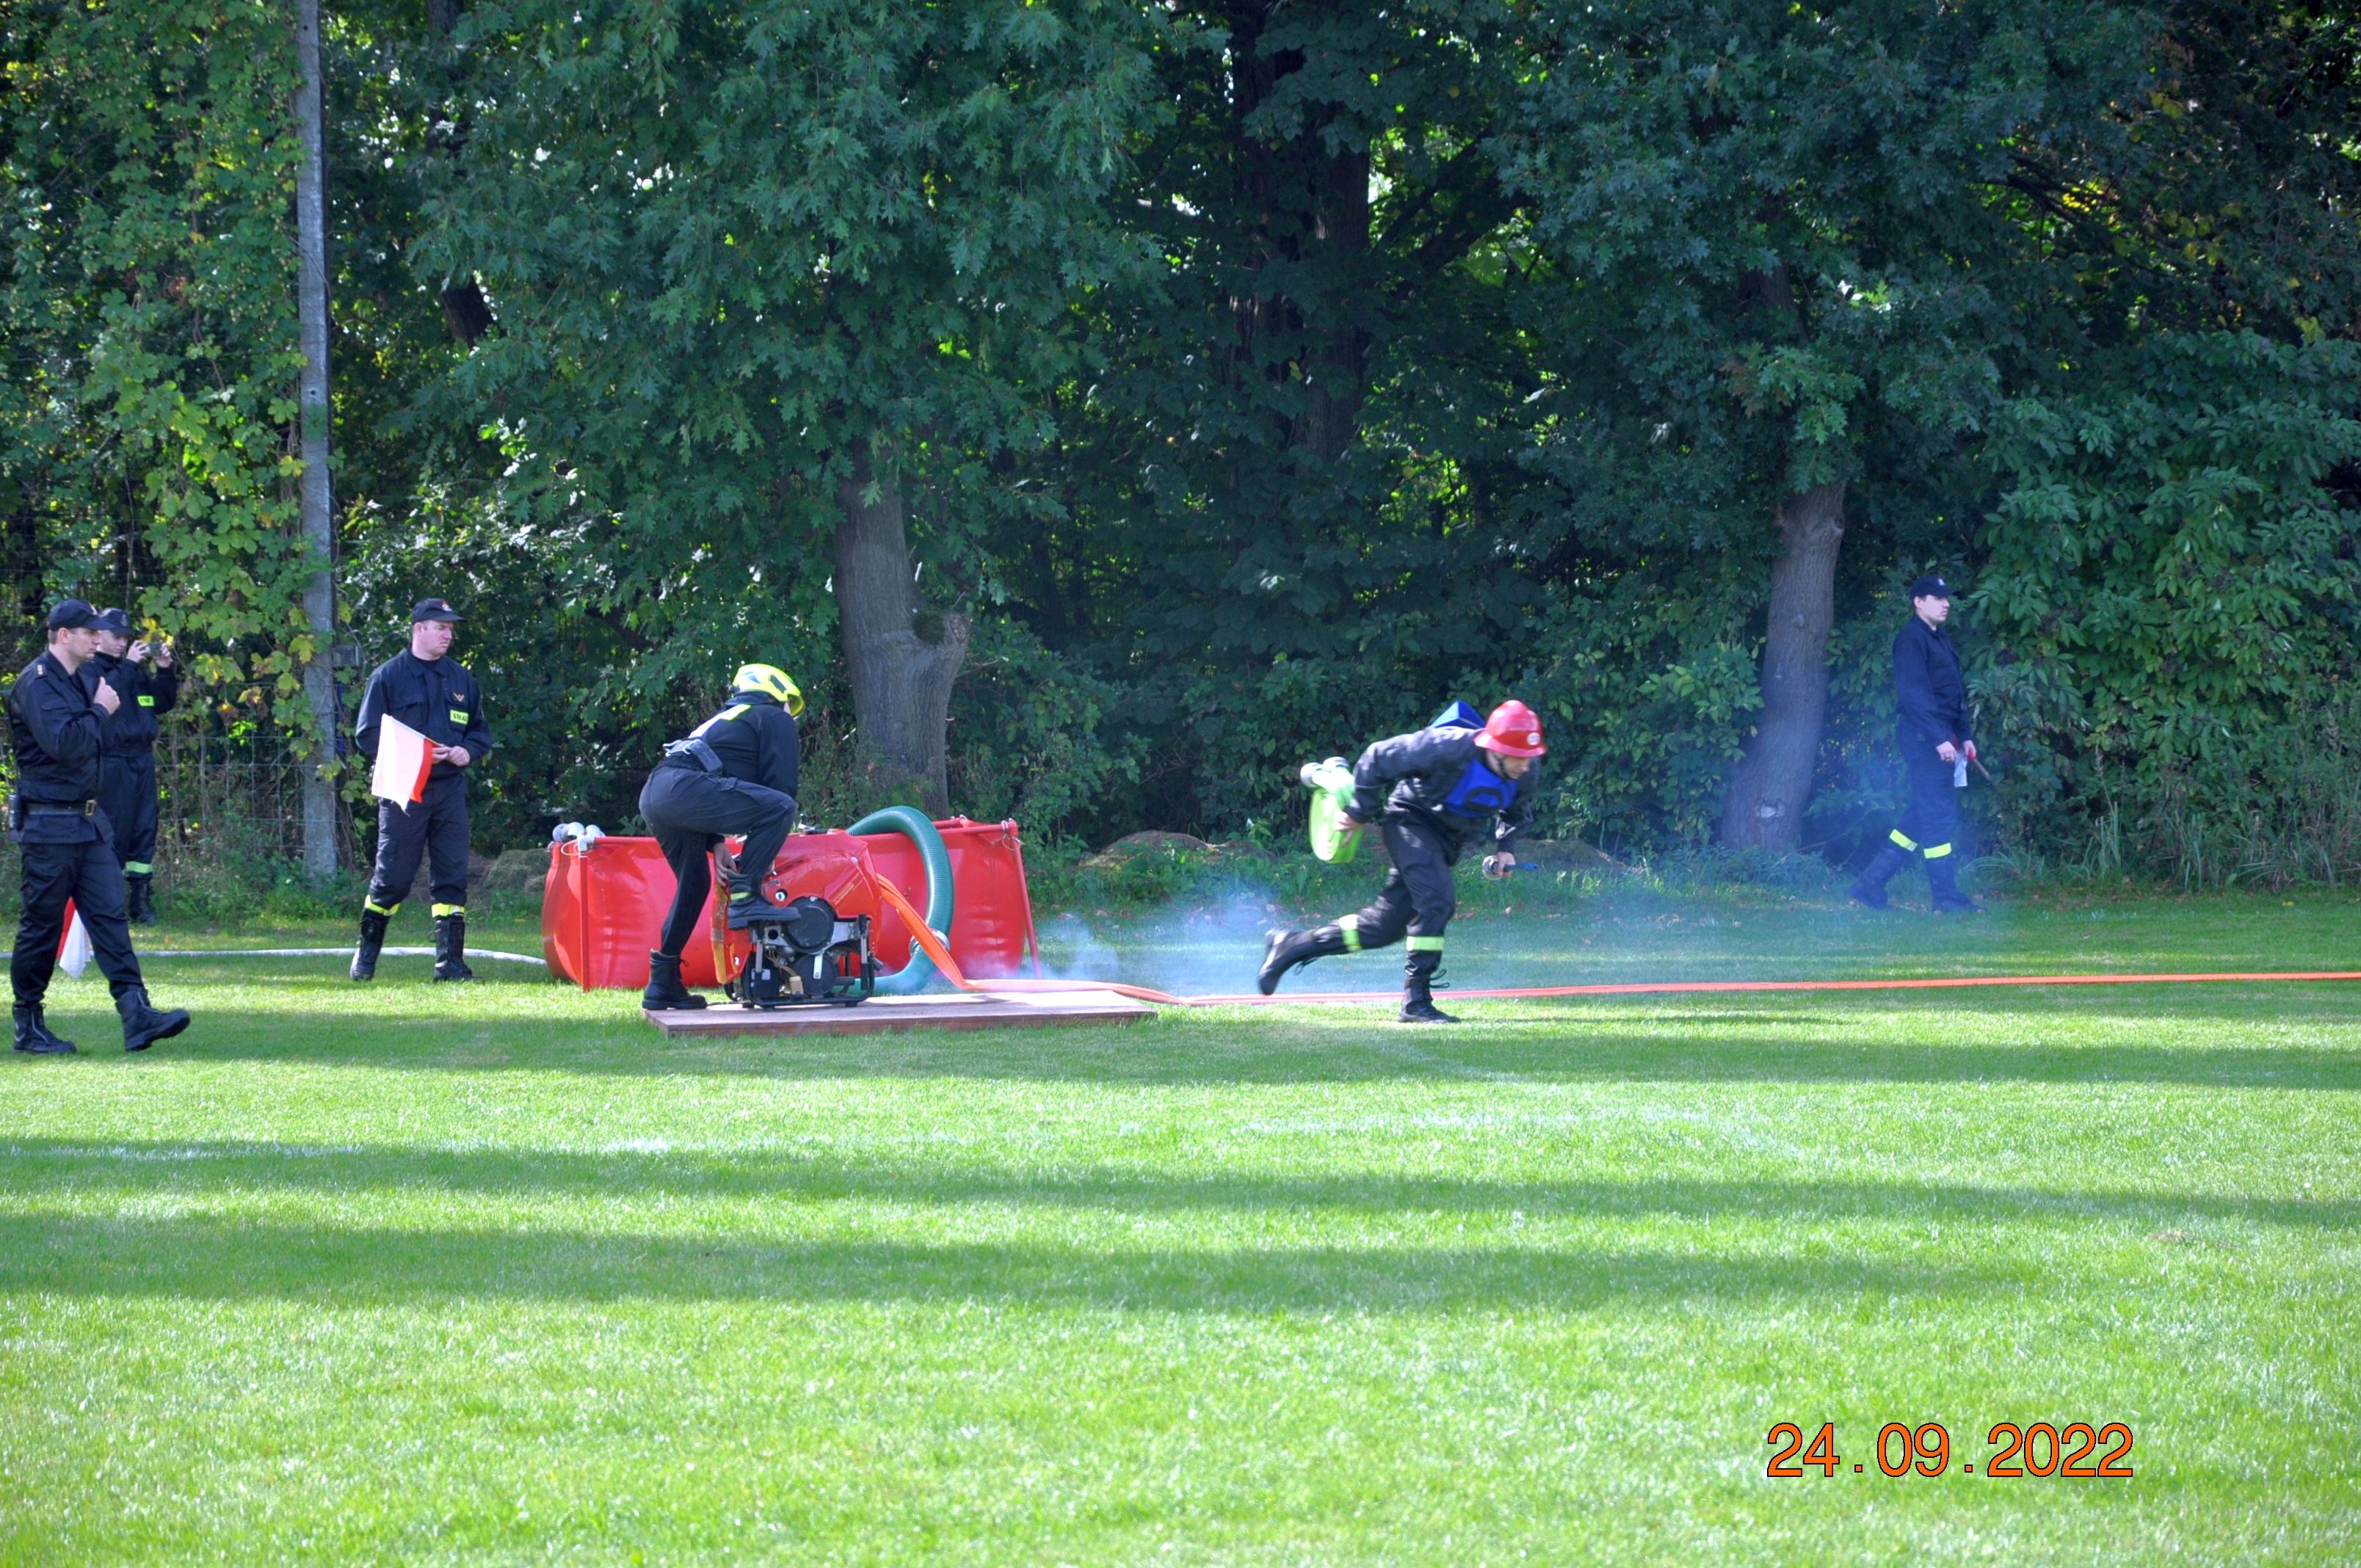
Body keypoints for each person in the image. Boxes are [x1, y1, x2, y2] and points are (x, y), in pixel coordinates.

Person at [1258, 700, 1545, 1023]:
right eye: (1519, 756)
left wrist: (1506, 846)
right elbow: (1378, 756)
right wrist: (1359, 811)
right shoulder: (1447, 747)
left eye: (1529, 757)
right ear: (1496, 748)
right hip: (1410, 821)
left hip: (1447, 842)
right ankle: (1416, 1001)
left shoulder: (1526, 770)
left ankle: (1292, 945)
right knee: (1437, 902)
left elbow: (1516, 808)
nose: (1525, 765)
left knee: (1383, 928)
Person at [7, 599, 191, 1054]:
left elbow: (110, 733)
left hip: (88, 822)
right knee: (41, 926)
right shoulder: (38, 683)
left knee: (110, 918)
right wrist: (100, 711)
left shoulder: (80, 680)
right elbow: (64, 744)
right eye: (89, 632)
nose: (97, 639)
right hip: (49, 825)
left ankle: (136, 1013)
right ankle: (28, 1022)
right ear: (63, 635)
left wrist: (106, 708)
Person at [635, 664, 805, 1011]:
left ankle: (662, 982)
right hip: (684, 788)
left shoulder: (729, 719)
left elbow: (710, 778)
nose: (792, 714)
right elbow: (780, 788)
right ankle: (745, 898)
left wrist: (716, 842)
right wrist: (766, 852)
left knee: (695, 883)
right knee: (781, 807)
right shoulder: (772, 716)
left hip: (658, 793)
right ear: (777, 693)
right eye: (791, 704)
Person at [350, 598, 493, 982]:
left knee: (452, 877)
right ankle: (366, 958)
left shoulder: (462, 680)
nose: (448, 635)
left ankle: (450, 965)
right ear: (419, 629)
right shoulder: (388, 677)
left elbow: (480, 732)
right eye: (441, 628)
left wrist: (467, 751)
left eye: (451, 629)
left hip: (449, 791)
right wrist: (418, 753)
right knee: (393, 879)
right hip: (404, 789)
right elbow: (367, 735)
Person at [1852, 573, 1979, 912]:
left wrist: (1965, 735)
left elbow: (1953, 694)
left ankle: (1870, 884)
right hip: (1926, 741)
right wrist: (1939, 739)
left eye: (1947, 598)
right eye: (1938, 598)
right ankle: (1946, 898)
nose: (1946, 604)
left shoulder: (1939, 637)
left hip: (1943, 738)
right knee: (1937, 816)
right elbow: (1915, 696)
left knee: (1921, 814)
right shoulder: (1911, 639)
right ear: (1918, 602)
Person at [83, 607, 177, 924]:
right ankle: (108, 902)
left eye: (126, 637)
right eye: (116, 637)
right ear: (99, 635)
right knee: (114, 830)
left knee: (144, 829)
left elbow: (161, 703)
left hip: (142, 760)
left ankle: (140, 901)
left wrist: (164, 671)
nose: (123, 643)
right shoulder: (90, 670)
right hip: (111, 762)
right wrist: (130, 665)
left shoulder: (134, 671)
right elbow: (103, 694)